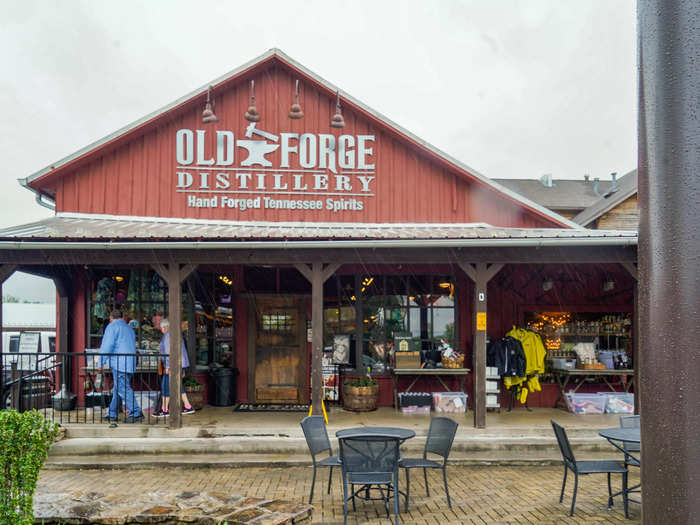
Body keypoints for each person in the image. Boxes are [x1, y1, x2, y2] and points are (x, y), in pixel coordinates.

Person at [98, 309, 143, 424]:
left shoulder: (112, 327)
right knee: (118, 388)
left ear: (111, 318)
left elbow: (107, 345)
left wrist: (101, 362)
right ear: (122, 317)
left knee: (122, 388)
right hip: (130, 363)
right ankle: (112, 412)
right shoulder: (129, 328)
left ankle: (136, 412)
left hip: (119, 363)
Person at [155, 319, 194, 417]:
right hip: (178, 364)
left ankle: (164, 410)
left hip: (172, 365)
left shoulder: (168, 335)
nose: (161, 330)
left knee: (166, 386)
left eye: (161, 328)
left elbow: (169, 352)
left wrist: (168, 366)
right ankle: (188, 406)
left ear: (164, 327)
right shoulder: (174, 334)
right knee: (177, 385)